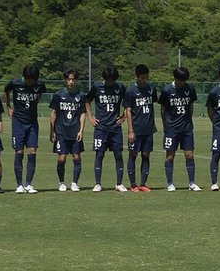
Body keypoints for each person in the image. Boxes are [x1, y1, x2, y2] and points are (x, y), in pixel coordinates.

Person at [4, 64, 46, 194]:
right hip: (18, 122)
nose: (29, 82)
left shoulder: (40, 85)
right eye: (28, 79)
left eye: (32, 79)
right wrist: (9, 107)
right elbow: (6, 91)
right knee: (19, 152)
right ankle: (19, 185)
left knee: (32, 152)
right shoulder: (15, 83)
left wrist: (34, 103)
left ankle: (28, 184)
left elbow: (39, 95)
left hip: (32, 122)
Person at [87, 65, 128, 193]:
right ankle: (98, 183)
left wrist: (124, 116)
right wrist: (91, 117)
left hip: (115, 128)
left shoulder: (120, 87)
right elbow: (87, 101)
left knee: (118, 155)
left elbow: (128, 103)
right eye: (109, 79)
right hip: (101, 127)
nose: (111, 82)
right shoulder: (97, 87)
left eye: (113, 80)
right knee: (99, 154)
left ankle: (119, 183)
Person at [159, 65, 201, 191]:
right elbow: (163, 109)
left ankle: (192, 183)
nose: (183, 82)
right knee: (170, 156)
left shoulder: (190, 89)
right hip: (172, 129)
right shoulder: (167, 90)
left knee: (189, 156)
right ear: (175, 78)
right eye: (181, 80)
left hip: (187, 128)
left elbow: (191, 106)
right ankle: (170, 183)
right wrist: (166, 126)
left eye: (185, 80)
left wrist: (188, 120)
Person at [49, 69, 87, 191]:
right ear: (65, 80)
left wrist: (81, 130)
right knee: (62, 158)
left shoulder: (81, 95)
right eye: (68, 79)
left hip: (75, 131)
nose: (71, 81)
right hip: (61, 131)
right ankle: (61, 182)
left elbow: (82, 114)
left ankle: (75, 183)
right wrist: (52, 130)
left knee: (76, 157)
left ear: (76, 80)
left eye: (73, 79)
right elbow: (53, 113)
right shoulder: (58, 95)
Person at [124, 64, 159, 191]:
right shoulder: (130, 91)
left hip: (148, 129)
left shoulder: (151, 89)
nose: (144, 80)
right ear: (136, 77)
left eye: (146, 77)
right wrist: (130, 130)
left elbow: (152, 107)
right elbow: (128, 111)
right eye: (142, 78)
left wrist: (153, 123)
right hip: (136, 129)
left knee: (146, 154)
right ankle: (133, 184)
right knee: (133, 154)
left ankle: (143, 183)